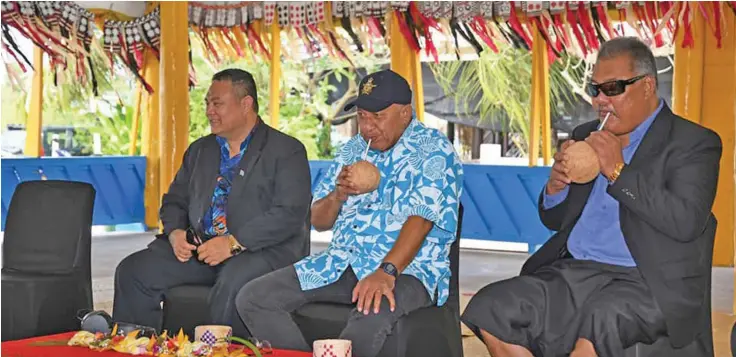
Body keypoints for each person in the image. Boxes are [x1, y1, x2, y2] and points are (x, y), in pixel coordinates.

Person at [462, 37, 722, 357]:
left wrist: (617, 171)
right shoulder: (586, 135)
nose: (600, 99)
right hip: (576, 270)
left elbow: (686, 222)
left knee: (601, 319)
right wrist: (556, 190)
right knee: (490, 306)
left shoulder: (692, 142)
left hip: (647, 279)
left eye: (612, 88)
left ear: (647, 86)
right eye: (595, 88)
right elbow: (555, 220)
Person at [235, 69, 464, 357]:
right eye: (362, 116)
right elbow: (318, 220)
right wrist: (338, 195)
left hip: (409, 270)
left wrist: (386, 271)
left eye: (377, 117)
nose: (367, 127)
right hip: (343, 263)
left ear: (405, 113)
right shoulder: (353, 150)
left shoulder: (433, 149)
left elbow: (422, 219)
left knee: (370, 313)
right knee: (254, 297)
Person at [113, 69, 312, 338]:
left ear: (245, 104)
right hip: (203, 250)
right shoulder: (201, 150)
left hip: (261, 251)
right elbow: (174, 201)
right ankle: (137, 347)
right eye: (207, 102)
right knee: (134, 271)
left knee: (234, 282)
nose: (209, 111)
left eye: (217, 103)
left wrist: (232, 243)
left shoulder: (286, 150)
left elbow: (289, 214)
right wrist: (175, 233)